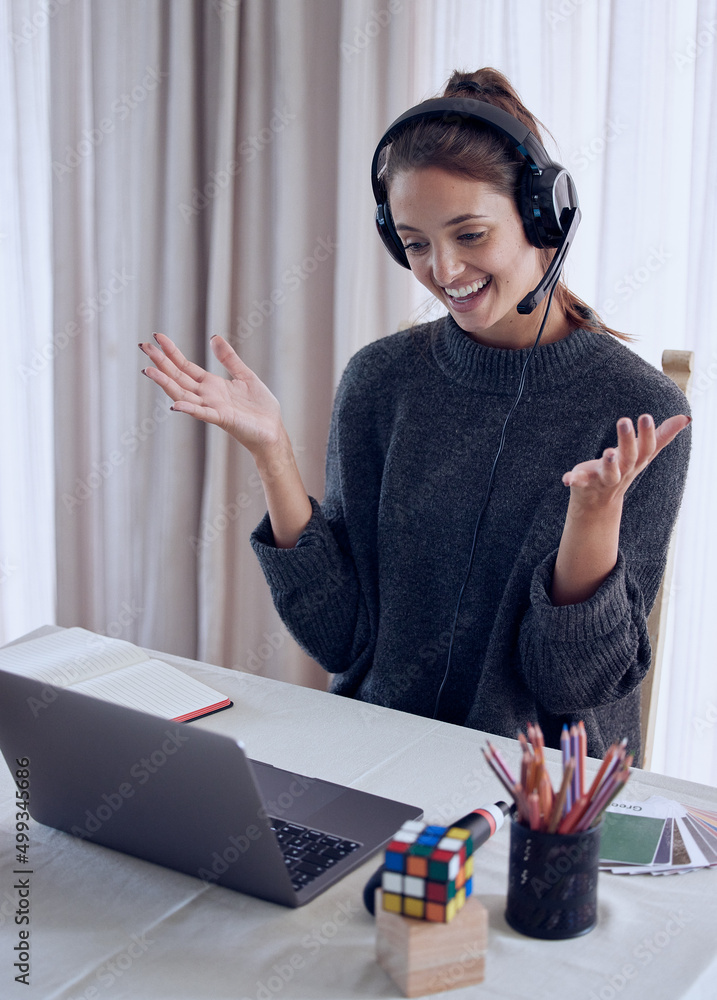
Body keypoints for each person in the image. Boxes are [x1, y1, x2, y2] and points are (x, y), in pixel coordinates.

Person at [139, 68, 690, 764]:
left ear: (540, 216)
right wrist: (272, 452)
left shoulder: (640, 413)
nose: (443, 269)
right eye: (416, 242)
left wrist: (592, 519)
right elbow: (342, 643)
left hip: (544, 801)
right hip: (377, 761)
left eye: (469, 233)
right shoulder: (379, 381)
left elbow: (572, 684)